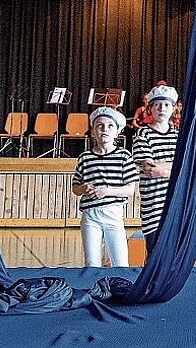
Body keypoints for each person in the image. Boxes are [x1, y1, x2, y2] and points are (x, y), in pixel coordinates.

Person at [71, 106, 137, 268]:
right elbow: (75, 188)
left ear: (116, 132)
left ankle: (122, 291)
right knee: (92, 263)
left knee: (120, 262)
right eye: (99, 126)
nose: (104, 130)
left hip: (113, 215)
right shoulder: (85, 158)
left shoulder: (123, 156)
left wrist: (106, 191)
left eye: (110, 126)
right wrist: (83, 188)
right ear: (93, 131)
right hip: (90, 217)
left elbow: (130, 189)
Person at [132, 83, 179, 255]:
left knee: (173, 255)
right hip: (153, 206)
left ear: (173, 109)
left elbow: (184, 168)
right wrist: (175, 171)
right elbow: (150, 169)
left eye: (166, 105)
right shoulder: (143, 134)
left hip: (174, 204)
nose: (162, 108)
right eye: (157, 104)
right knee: (154, 255)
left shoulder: (177, 135)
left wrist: (165, 170)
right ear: (150, 108)